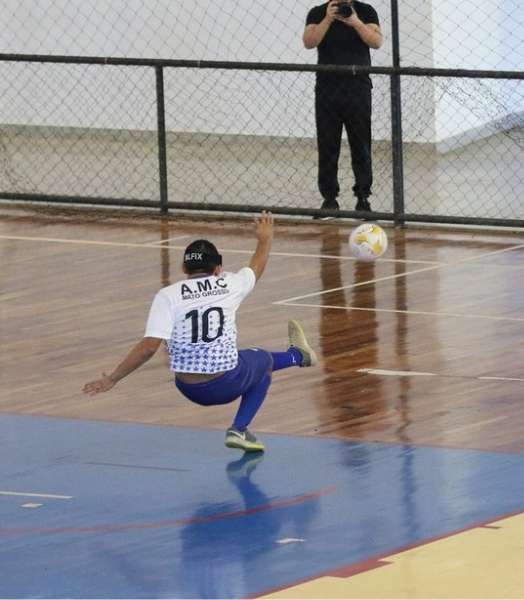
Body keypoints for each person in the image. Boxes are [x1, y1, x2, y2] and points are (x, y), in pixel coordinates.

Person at [82, 212, 318, 452]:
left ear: (184, 267)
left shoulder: (168, 295)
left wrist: (112, 378)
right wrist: (265, 239)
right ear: (218, 268)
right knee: (263, 361)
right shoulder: (229, 284)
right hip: (227, 382)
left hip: (188, 388)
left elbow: (148, 347)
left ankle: (301, 355)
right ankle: (244, 422)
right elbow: (256, 267)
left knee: (243, 357)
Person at [303, 0, 383, 217]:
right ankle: (329, 200)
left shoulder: (365, 11)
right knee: (328, 145)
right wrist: (328, 19)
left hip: (358, 88)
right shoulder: (318, 12)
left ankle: (363, 198)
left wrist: (355, 21)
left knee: (361, 144)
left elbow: (376, 41)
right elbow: (309, 42)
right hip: (327, 89)